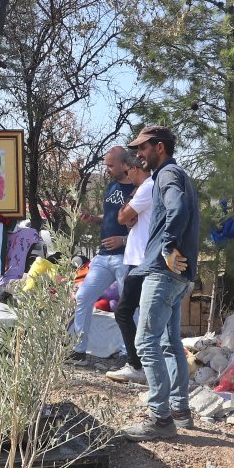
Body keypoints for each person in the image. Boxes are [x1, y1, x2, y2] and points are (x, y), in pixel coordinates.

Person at [120, 126, 200, 442]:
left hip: (164, 272)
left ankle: (160, 419)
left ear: (160, 148)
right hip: (179, 275)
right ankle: (180, 410)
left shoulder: (166, 176)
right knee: (169, 341)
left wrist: (167, 247)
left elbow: (177, 208)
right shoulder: (178, 174)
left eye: (143, 148)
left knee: (145, 342)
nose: (138, 154)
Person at [69, 146, 135, 360]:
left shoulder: (137, 189)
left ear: (124, 165)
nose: (106, 169)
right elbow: (110, 216)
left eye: (110, 165)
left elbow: (146, 228)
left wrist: (123, 240)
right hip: (103, 255)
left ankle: (129, 353)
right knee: (83, 296)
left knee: (128, 305)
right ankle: (78, 349)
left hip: (125, 257)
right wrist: (94, 219)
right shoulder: (112, 186)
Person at [106, 153, 153, 384]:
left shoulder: (146, 188)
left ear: (135, 169)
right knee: (137, 313)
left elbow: (123, 217)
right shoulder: (147, 188)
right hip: (138, 259)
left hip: (142, 261)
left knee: (124, 312)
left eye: (128, 172)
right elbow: (130, 220)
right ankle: (143, 364)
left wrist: (130, 201)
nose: (127, 177)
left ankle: (137, 365)